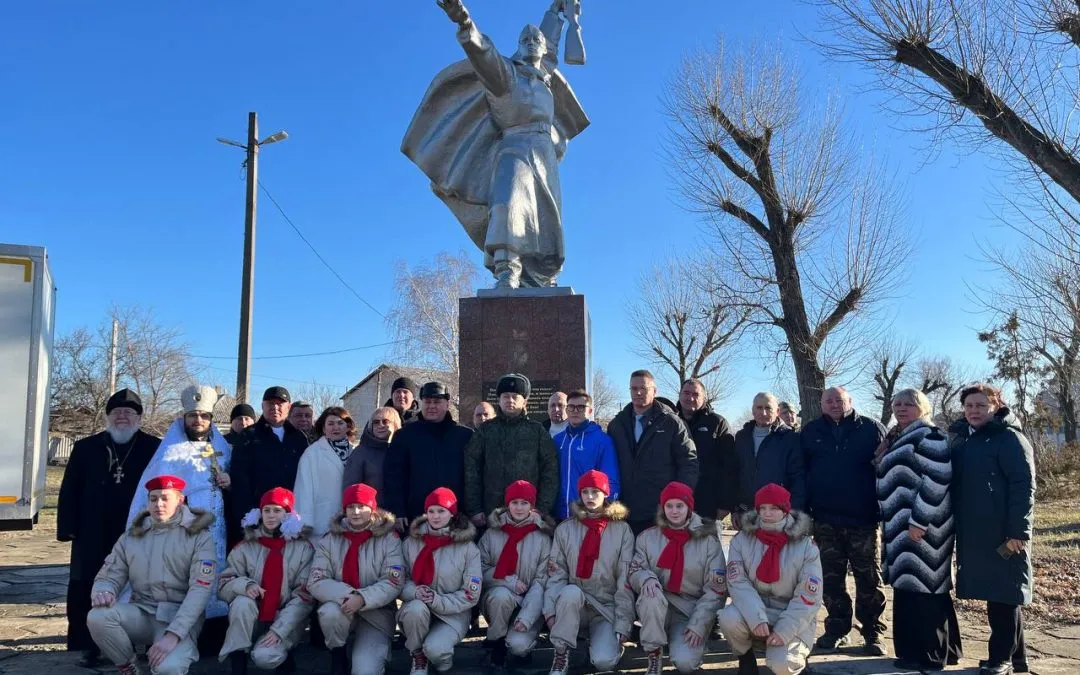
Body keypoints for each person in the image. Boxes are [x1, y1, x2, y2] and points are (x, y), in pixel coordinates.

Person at [412, 0, 589, 288]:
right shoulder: (506, 75)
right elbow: (483, 53)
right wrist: (464, 22)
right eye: (526, 39)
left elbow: (551, 40)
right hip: (514, 148)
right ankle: (509, 269)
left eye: (537, 40)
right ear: (519, 46)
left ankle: (544, 277)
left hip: (545, 152)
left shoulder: (544, 73)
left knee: (547, 216)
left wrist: (556, 12)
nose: (533, 43)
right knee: (509, 205)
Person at [57, 388, 160, 666]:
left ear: (139, 417)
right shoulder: (86, 447)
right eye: (116, 412)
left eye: (129, 412)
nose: (122, 417)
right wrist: (68, 527)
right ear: (108, 416)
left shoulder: (154, 447)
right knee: (86, 586)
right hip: (92, 531)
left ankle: (141, 643)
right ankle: (88, 645)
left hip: (136, 530)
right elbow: (69, 491)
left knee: (140, 586)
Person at [87, 475, 217, 675]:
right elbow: (109, 575)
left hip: (179, 617)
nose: (159, 504)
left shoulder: (199, 536)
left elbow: (200, 590)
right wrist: (103, 591)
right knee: (98, 616)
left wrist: (174, 634)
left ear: (180, 500)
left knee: (168, 669)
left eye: (165, 498)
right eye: (153, 499)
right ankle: (128, 667)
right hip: (142, 612)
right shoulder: (133, 536)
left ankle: (171, 654)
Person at [127, 385, 233, 621]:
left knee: (217, 573)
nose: (198, 420)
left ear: (211, 419)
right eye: (193, 415)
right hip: (187, 528)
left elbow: (237, 484)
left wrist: (230, 482)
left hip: (219, 528)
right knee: (189, 576)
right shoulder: (170, 453)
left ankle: (215, 627)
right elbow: (156, 495)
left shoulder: (222, 447)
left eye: (204, 416)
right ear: (184, 418)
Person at [949, 383, 1035, 675]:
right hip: (976, 531)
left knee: (1004, 593)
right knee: (1000, 593)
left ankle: (1001, 658)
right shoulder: (966, 438)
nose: (974, 411)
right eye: (969, 405)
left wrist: (1019, 531)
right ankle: (1018, 657)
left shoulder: (1009, 439)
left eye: (981, 405)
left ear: (996, 406)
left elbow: (1023, 486)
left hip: (1005, 532)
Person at [877, 388, 962, 671]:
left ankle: (928, 655)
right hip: (901, 527)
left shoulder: (930, 436)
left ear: (923, 407)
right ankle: (945, 649)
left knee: (926, 587)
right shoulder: (898, 437)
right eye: (897, 404)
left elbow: (937, 479)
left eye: (909, 404)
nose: (901, 408)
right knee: (913, 587)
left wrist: (918, 520)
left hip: (924, 527)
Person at [801, 386, 887, 654]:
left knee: (869, 578)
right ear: (822, 404)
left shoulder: (872, 429)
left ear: (850, 401)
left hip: (863, 518)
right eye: (829, 401)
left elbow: (885, 468)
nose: (835, 404)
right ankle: (837, 629)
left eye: (839, 400)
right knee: (831, 579)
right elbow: (802, 472)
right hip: (825, 519)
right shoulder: (811, 431)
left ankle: (873, 632)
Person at [719, 483, 822, 675]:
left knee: (782, 666)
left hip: (790, 614)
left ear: (785, 509)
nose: (767, 513)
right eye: (762, 508)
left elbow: (809, 596)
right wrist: (756, 618)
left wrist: (784, 630)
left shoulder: (805, 545)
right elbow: (737, 582)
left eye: (774, 508)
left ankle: (796, 654)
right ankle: (745, 658)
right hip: (756, 610)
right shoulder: (742, 540)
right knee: (728, 617)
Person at [543, 470, 634, 675]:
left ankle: (606, 642)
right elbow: (556, 573)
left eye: (595, 491)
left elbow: (624, 580)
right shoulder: (565, 529)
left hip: (605, 606)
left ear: (606, 494)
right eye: (585, 492)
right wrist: (550, 611)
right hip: (574, 604)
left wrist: (624, 622)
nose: (590, 497)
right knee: (570, 592)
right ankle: (561, 653)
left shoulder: (622, 530)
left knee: (604, 663)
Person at [631, 481, 726, 675]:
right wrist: (646, 578)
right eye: (669, 506)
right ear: (663, 507)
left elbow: (716, 590)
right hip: (659, 605)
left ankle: (693, 644)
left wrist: (699, 624)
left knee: (685, 663)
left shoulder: (708, 541)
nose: (674, 511)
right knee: (650, 595)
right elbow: (634, 571)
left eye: (680, 506)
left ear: (689, 507)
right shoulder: (648, 538)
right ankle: (654, 653)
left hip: (689, 609)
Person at [309, 483, 405, 675]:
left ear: (372, 509)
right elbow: (316, 580)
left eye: (362, 506)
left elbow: (393, 581)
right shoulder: (330, 539)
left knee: (365, 671)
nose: (356, 512)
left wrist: (362, 598)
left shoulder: (389, 539)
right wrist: (349, 595)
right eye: (350, 507)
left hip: (376, 613)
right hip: (341, 606)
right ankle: (338, 653)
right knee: (329, 613)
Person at [218, 487, 313, 675]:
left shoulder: (303, 549)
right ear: (259, 514)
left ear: (288, 514)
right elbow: (224, 583)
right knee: (242, 603)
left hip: (284, 617)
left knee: (265, 657)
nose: (271, 516)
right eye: (266, 510)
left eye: (277, 511)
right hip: (252, 617)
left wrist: (279, 629)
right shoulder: (246, 546)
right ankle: (238, 662)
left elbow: (304, 596)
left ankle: (284, 657)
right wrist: (245, 585)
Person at [398, 488, 482, 674]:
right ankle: (418, 656)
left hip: (453, 613)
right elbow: (399, 581)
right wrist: (415, 592)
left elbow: (471, 594)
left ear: (452, 514)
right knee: (415, 608)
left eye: (441, 511)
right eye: (431, 511)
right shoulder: (411, 543)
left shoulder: (468, 548)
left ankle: (442, 661)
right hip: (419, 610)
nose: (435, 516)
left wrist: (437, 600)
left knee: (436, 650)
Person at [607, 370, 698, 534]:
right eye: (634, 389)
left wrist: (678, 499)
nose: (638, 393)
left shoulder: (671, 423)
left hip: (660, 513)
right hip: (624, 511)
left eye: (644, 388)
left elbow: (689, 463)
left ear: (654, 391)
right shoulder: (616, 425)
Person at [476, 480, 553, 667]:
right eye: (514, 502)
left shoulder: (542, 537)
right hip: (498, 599)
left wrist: (526, 617)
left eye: (524, 503)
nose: (519, 508)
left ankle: (521, 645)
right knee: (500, 596)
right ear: (507, 504)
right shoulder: (492, 533)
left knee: (518, 646)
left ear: (532, 506)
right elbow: (479, 571)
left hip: (531, 601)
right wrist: (509, 582)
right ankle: (497, 643)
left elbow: (542, 581)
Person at [464, 373, 560, 520]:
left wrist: (542, 508)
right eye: (505, 396)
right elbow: (472, 470)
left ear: (525, 401)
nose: (510, 400)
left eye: (515, 396)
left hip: (528, 510)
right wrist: (475, 509)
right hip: (492, 510)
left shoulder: (537, 431)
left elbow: (550, 470)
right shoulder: (486, 430)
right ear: (499, 400)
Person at [383, 382, 473, 528]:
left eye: (437, 402)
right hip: (416, 517)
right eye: (427, 401)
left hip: (456, 516)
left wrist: (474, 510)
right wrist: (397, 510)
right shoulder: (404, 436)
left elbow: (473, 477)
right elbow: (394, 477)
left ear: (447, 404)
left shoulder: (464, 436)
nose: (431, 406)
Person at [230, 386, 310, 528]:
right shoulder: (249, 436)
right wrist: (248, 515)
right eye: (270, 403)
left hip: (292, 513)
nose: (275, 407)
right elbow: (240, 479)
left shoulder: (298, 437)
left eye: (280, 403)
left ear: (289, 407)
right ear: (262, 405)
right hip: (261, 514)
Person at [733, 392, 805, 519]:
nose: (764, 413)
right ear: (753, 410)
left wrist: (793, 512)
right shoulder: (742, 437)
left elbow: (798, 478)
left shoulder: (791, 439)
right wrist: (735, 508)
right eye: (759, 408)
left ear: (777, 411)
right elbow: (734, 473)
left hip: (778, 512)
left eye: (768, 408)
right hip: (747, 511)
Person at [551, 389, 620, 519]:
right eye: (571, 407)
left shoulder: (602, 441)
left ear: (589, 411)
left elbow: (610, 479)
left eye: (581, 407)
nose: (575, 411)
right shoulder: (558, 440)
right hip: (559, 515)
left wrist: (605, 509)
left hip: (588, 515)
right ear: (566, 410)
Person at [676, 378, 738, 521]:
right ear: (679, 395)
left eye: (696, 394)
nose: (690, 398)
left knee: (707, 543)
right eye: (686, 393)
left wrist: (725, 503)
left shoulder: (717, 423)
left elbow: (729, 467)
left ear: (704, 398)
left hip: (708, 503)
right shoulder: (669, 421)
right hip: (675, 503)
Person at [294, 406, 360, 538]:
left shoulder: (358, 450)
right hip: (323, 520)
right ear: (323, 428)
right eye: (330, 423)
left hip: (354, 518)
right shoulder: (312, 453)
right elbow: (303, 490)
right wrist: (305, 522)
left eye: (340, 423)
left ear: (348, 427)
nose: (336, 427)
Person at [342, 407, 403, 495]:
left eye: (385, 421)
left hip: (399, 507)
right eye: (376, 422)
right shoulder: (360, 453)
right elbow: (351, 488)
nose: (380, 425)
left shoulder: (403, 451)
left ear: (395, 424)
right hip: (371, 507)